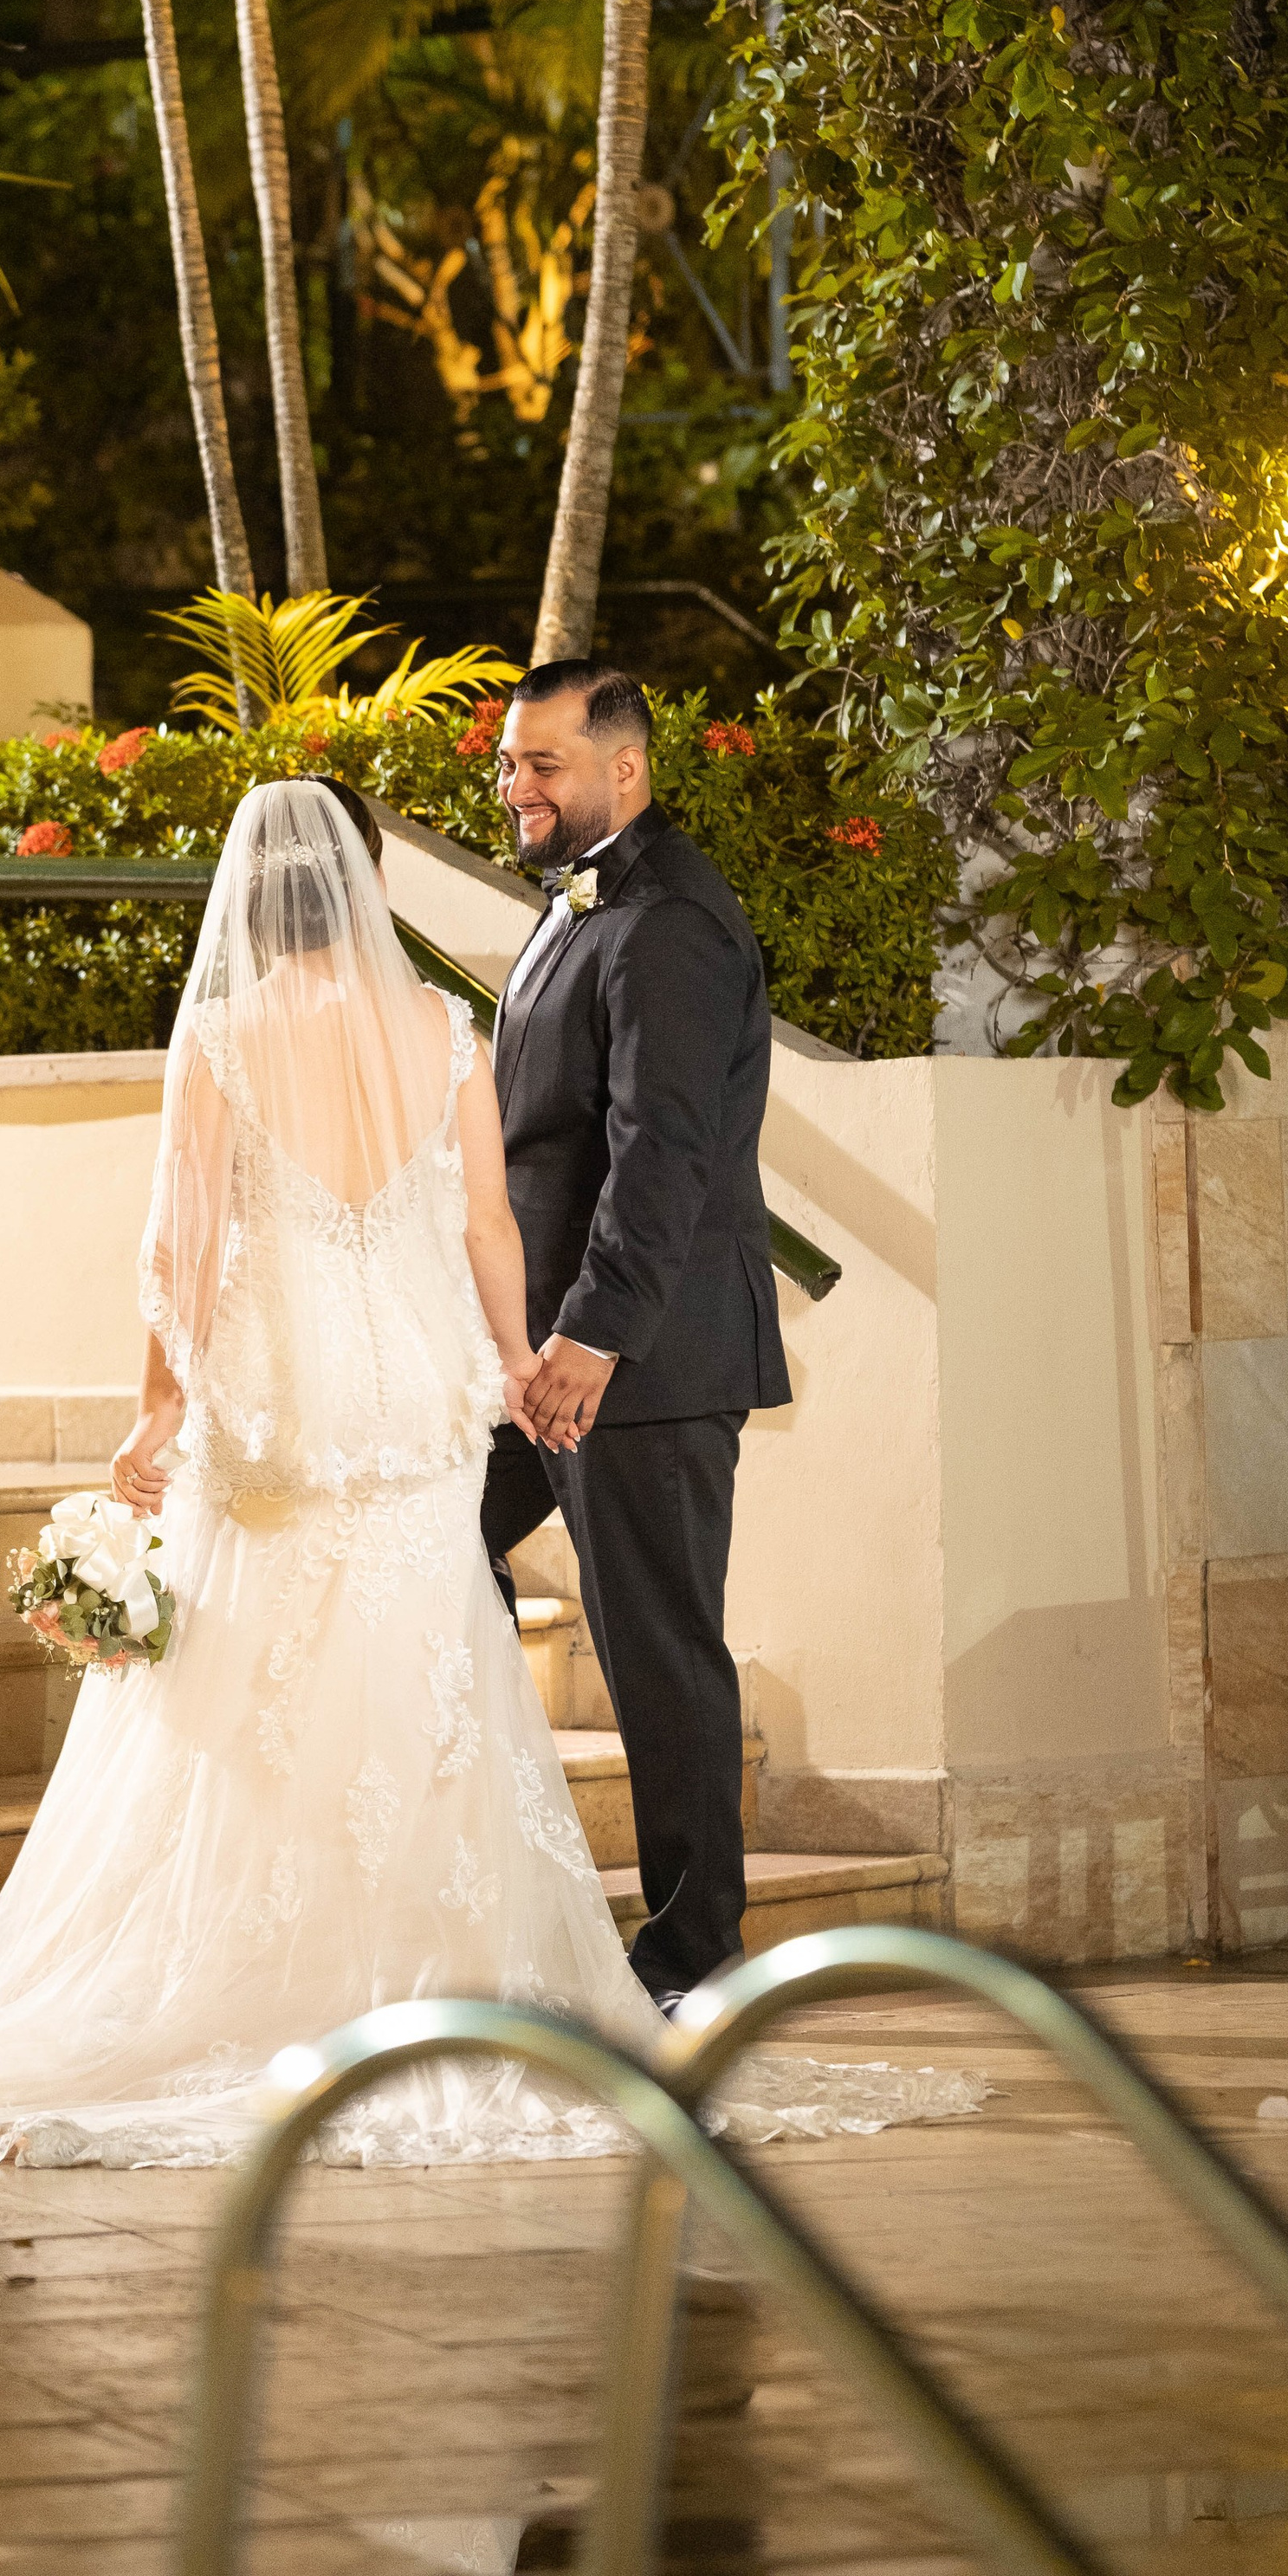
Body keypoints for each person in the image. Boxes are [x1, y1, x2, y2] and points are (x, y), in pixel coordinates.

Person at [0, 777, 963, 2169]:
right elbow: (492, 1226)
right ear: (372, 884)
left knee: (252, 1674)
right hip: (418, 1397)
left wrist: (153, 1416)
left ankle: (257, 1974)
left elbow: (183, 1254)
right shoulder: (439, 1026)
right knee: (423, 1657)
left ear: (251, 901)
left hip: (282, 1395)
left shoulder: (224, 1034)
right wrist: (512, 1361)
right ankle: (448, 1979)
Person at [485, 663, 788, 2013]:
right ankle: (486, 1868)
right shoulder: (575, 906)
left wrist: (593, 1339)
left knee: (660, 1651)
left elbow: (661, 1152)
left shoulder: (668, 918)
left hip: (634, 1366)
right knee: (425, 1542)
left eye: (545, 763)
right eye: (509, 764)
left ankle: (692, 1958)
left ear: (626, 768)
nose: (519, 788)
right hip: (533, 1361)